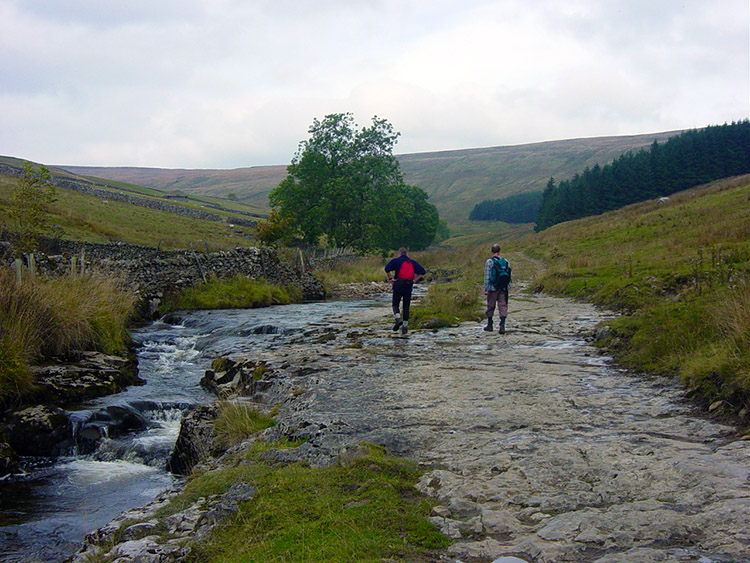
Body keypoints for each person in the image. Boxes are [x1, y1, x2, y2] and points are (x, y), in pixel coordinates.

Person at [384, 247, 425, 335]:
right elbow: (423, 272)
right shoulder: (412, 262)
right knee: (406, 306)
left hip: (398, 284)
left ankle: (398, 319)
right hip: (408, 285)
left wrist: (390, 278)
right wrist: (415, 280)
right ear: (406, 253)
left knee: (395, 304)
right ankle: (405, 327)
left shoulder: (396, 261)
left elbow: (386, 268)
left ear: (399, 253)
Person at [484, 243, 511, 334]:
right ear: (499, 251)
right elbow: (509, 274)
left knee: (491, 305)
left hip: (492, 287)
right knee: (502, 305)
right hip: (503, 288)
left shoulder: (489, 262)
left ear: (492, 251)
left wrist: (486, 288)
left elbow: (487, 276)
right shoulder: (506, 261)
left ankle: (490, 324)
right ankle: (502, 324)